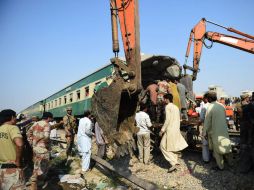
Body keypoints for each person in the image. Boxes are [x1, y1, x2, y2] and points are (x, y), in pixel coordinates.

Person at [159, 94, 188, 172]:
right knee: (173, 147)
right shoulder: (176, 107)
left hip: (170, 129)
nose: (163, 100)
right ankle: (174, 163)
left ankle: (173, 163)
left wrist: (162, 130)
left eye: (164, 99)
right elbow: (179, 119)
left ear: (167, 99)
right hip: (176, 129)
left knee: (162, 146)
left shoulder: (168, 107)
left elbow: (167, 120)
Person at [203, 91, 232, 170]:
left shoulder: (210, 107)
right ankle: (230, 162)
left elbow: (207, 122)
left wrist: (204, 132)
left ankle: (220, 166)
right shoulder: (221, 105)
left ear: (209, 98)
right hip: (223, 129)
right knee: (227, 145)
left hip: (215, 131)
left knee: (217, 150)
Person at [27, 112, 53, 190]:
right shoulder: (46, 124)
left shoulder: (36, 123)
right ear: (48, 118)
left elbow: (28, 133)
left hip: (35, 148)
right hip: (43, 149)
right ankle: (40, 183)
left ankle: (33, 181)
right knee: (43, 167)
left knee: (36, 165)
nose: (51, 119)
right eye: (51, 118)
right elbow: (46, 136)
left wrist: (32, 142)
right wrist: (48, 145)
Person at [0, 109, 25, 190]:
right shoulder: (12, 128)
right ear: (12, 117)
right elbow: (19, 144)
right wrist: (18, 161)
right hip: (12, 168)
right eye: (15, 117)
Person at [77, 110, 94, 175]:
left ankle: (83, 166)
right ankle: (85, 169)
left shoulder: (81, 120)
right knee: (87, 154)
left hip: (80, 138)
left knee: (83, 153)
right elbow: (87, 131)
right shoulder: (88, 121)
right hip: (85, 139)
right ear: (89, 115)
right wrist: (92, 134)